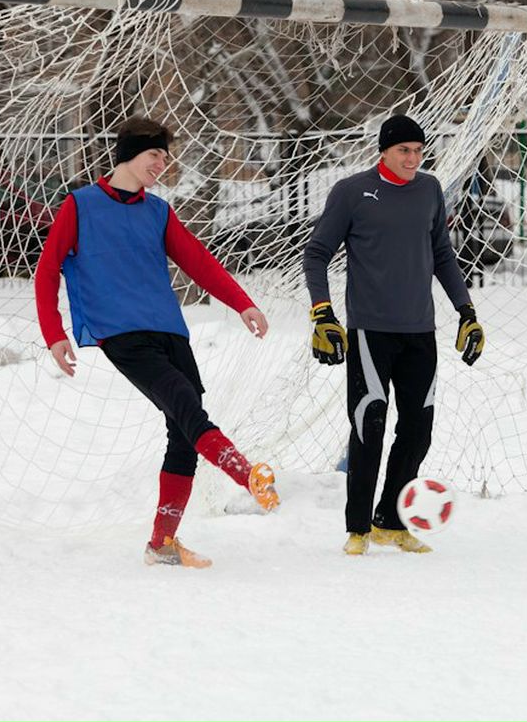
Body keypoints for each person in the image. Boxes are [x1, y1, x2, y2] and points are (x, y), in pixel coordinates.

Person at [35, 115, 279, 569]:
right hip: (121, 334)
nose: (162, 165)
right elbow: (47, 270)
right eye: (155, 155)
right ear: (130, 155)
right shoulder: (80, 205)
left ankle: (162, 543)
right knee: (185, 402)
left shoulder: (158, 211)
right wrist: (54, 333)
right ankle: (244, 473)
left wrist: (242, 303)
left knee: (184, 432)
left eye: (165, 158)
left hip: (170, 329)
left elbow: (198, 261)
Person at [303, 114, 485, 556]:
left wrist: (466, 312)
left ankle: (390, 521)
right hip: (370, 331)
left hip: (420, 331)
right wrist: (322, 313)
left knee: (418, 430)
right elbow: (317, 253)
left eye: (418, 151)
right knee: (370, 424)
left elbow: (442, 253)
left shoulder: (430, 190)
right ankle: (358, 529)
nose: (412, 158)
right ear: (383, 151)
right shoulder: (352, 192)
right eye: (404, 150)